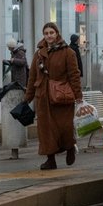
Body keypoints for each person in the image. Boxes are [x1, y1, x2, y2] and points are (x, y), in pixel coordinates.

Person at [23, 22, 83, 170]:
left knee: (65, 127)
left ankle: (70, 148)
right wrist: (27, 98)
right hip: (43, 97)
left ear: (57, 34)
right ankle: (51, 160)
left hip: (61, 97)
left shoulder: (68, 52)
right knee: (46, 130)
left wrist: (79, 97)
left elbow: (74, 76)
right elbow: (32, 77)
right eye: (46, 33)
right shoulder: (38, 54)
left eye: (51, 32)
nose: (49, 35)